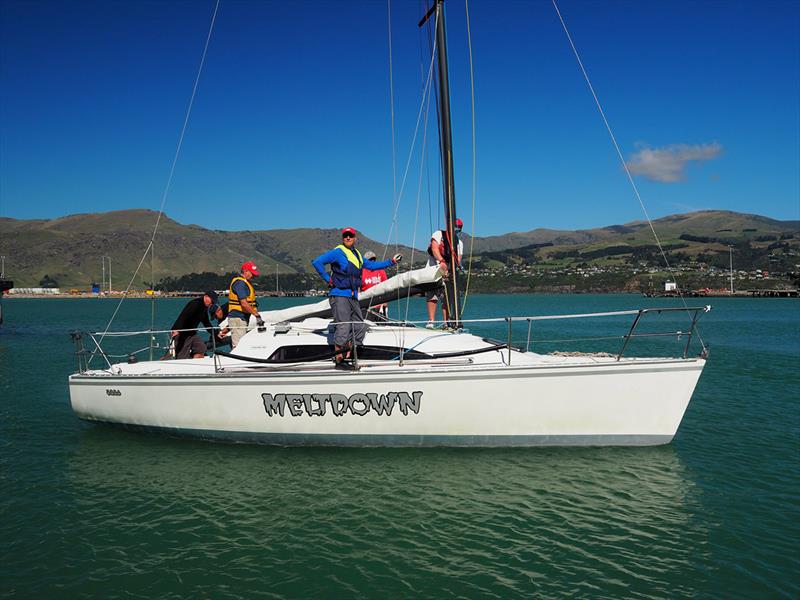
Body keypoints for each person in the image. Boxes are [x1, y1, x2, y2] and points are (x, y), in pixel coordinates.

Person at [312, 227, 401, 368]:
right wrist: (327, 279)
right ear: (343, 238)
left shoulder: (358, 255)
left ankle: (349, 353)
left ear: (355, 238)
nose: (348, 238)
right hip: (340, 294)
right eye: (345, 236)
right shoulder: (338, 252)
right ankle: (339, 361)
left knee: (359, 326)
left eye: (351, 236)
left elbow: (371, 265)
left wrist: (391, 262)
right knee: (343, 327)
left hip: (353, 296)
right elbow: (317, 262)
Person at [426, 218, 464, 328]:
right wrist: (441, 261)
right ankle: (431, 321)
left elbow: (458, 259)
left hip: (448, 272)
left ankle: (446, 323)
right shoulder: (438, 234)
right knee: (432, 295)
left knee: (446, 297)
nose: (456, 231)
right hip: (433, 269)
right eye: (455, 228)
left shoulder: (459, 243)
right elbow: (434, 248)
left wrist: (450, 269)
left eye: (459, 229)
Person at [170, 291, 218, 358]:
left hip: (192, 333)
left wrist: (215, 333)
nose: (212, 304)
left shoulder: (204, 307)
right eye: (212, 301)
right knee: (182, 356)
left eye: (213, 303)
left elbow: (206, 322)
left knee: (201, 348)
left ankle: (194, 361)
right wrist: (176, 330)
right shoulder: (195, 304)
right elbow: (184, 316)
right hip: (182, 333)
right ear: (206, 297)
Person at [228, 261, 263, 348]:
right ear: (245, 271)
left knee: (241, 344)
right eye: (252, 273)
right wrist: (256, 315)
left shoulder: (245, 282)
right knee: (238, 346)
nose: (253, 276)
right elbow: (243, 303)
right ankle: (236, 360)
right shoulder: (240, 283)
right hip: (238, 317)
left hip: (242, 317)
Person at [361, 250, 388, 317]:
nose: (372, 261)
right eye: (370, 260)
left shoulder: (381, 271)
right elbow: (358, 289)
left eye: (373, 259)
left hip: (380, 306)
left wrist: (386, 302)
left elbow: (386, 286)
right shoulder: (361, 272)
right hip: (366, 306)